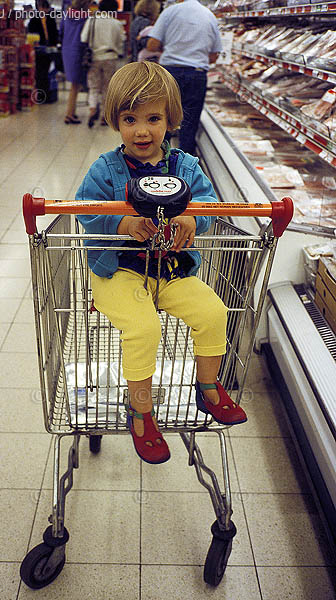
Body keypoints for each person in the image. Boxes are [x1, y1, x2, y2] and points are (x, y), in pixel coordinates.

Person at [76, 62, 247, 465]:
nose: (141, 131)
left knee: (213, 311)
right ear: (115, 120)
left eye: (153, 119)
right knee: (143, 327)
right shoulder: (105, 169)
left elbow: (206, 203)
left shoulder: (185, 166)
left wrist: (193, 217)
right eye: (129, 118)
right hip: (117, 270)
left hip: (171, 270)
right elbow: (85, 209)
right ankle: (141, 411)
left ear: (171, 120)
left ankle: (208, 388)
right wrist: (121, 221)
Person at [146, 0, 222, 155]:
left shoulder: (170, 12)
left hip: (169, 73)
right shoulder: (209, 15)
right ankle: (185, 165)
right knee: (190, 121)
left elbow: (152, 45)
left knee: (162, 117)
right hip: (196, 74)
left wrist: (170, 47)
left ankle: (157, 161)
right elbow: (214, 56)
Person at [80, 0, 125, 128]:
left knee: (93, 86)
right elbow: (121, 41)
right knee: (107, 88)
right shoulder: (116, 24)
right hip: (110, 57)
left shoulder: (92, 20)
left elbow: (83, 38)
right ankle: (104, 117)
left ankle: (92, 109)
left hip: (94, 57)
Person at [60, 0, 90, 124]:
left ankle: (71, 112)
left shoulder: (66, 16)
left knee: (74, 84)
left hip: (66, 50)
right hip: (78, 50)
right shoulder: (86, 18)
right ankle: (69, 114)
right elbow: (86, 36)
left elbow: (61, 32)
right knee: (75, 86)